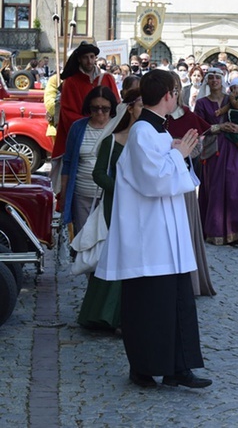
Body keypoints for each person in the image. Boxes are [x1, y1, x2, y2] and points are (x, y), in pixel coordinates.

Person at [95, 69, 211, 389]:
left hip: (167, 237)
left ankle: (178, 368)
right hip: (150, 240)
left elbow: (170, 172)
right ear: (168, 96)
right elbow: (154, 181)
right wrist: (178, 155)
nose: (178, 97)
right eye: (176, 92)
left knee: (175, 303)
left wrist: (177, 154)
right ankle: (144, 368)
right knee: (149, 307)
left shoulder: (156, 132)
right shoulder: (143, 132)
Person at [77, 89, 143, 331]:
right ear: (129, 109)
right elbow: (98, 174)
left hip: (142, 206)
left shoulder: (150, 138)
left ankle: (128, 315)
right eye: (140, 105)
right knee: (116, 254)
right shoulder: (112, 140)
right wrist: (120, 189)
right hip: (115, 204)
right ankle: (106, 315)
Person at [165, 71, 216, 296]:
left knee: (183, 231)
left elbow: (196, 150)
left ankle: (188, 283)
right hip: (156, 184)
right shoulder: (148, 119)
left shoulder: (187, 115)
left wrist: (181, 150)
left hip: (180, 181)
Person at [194, 68, 238, 245]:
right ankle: (216, 230)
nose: (214, 81)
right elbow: (198, 127)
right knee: (216, 190)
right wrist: (219, 127)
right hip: (214, 151)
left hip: (236, 150)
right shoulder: (202, 103)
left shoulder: (233, 99)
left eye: (217, 77)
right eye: (210, 78)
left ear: (223, 80)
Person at [51, 42, 120, 175]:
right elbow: (67, 112)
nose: (89, 61)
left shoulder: (107, 78)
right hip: (83, 136)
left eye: (92, 57)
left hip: (106, 131)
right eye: (85, 57)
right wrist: (90, 124)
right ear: (79, 59)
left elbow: (116, 105)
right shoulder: (71, 82)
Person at [60, 86, 118, 235]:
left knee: (108, 240)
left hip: (110, 196)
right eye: (95, 108)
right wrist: (64, 194)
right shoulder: (78, 128)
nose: (99, 112)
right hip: (82, 195)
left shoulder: (118, 128)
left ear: (112, 108)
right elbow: (67, 163)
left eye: (105, 109)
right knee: (84, 240)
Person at [213, 77, 238, 159]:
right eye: (232, 89)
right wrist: (220, 111)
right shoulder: (233, 99)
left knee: (236, 135)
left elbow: (236, 105)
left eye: (235, 88)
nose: (233, 91)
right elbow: (228, 106)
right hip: (219, 143)